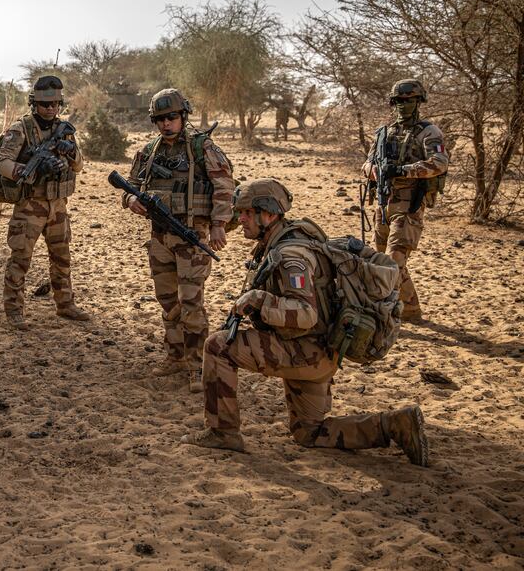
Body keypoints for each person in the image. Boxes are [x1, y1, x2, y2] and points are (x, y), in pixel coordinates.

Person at [181, 179, 429, 466]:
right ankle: (393, 425)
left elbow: (305, 313)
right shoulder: (290, 239)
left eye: (249, 213)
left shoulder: (290, 257)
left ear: (270, 215)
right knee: (309, 433)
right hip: (321, 351)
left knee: (218, 346)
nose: (242, 219)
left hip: (305, 351)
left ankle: (222, 432)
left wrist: (261, 300)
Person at [121, 89, 235, 391]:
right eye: (160, 119)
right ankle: (175, 356)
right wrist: (130, 200)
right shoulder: (150, 150)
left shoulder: (202, 147)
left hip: (191, 234)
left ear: (183, 116)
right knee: (168, 299)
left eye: (171, 117)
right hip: (160, 236)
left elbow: (224, 186)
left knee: (191, 301)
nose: (165, 124)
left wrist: (218, 225)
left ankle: (199, 364)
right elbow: (130, 185)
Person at [0, 75, 89, 329]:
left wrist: (71, 152)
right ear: (33, 103)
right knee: (20, 259)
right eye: (45, 104)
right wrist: (31, 169)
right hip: (30, 204)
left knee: (62, 256)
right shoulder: (20, 129)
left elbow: (79, 166)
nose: (50, 109)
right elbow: (3, 163)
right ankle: (14, 311)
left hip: (58, 204)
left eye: (55, 104)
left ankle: (65, 304)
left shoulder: (64, 130)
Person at [362, 79, 448, 321]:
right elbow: (366, 163)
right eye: (399, 101)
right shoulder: (384, 132)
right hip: (384, 203)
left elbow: (439, 163)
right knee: (381, 261)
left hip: (409, 205)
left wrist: (403, 170)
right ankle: (411, 310)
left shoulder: (429, 132)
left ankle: (391, 313)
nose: (403, 105)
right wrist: (374, 170)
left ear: (418, 101)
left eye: (409, 101)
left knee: (394, 261)